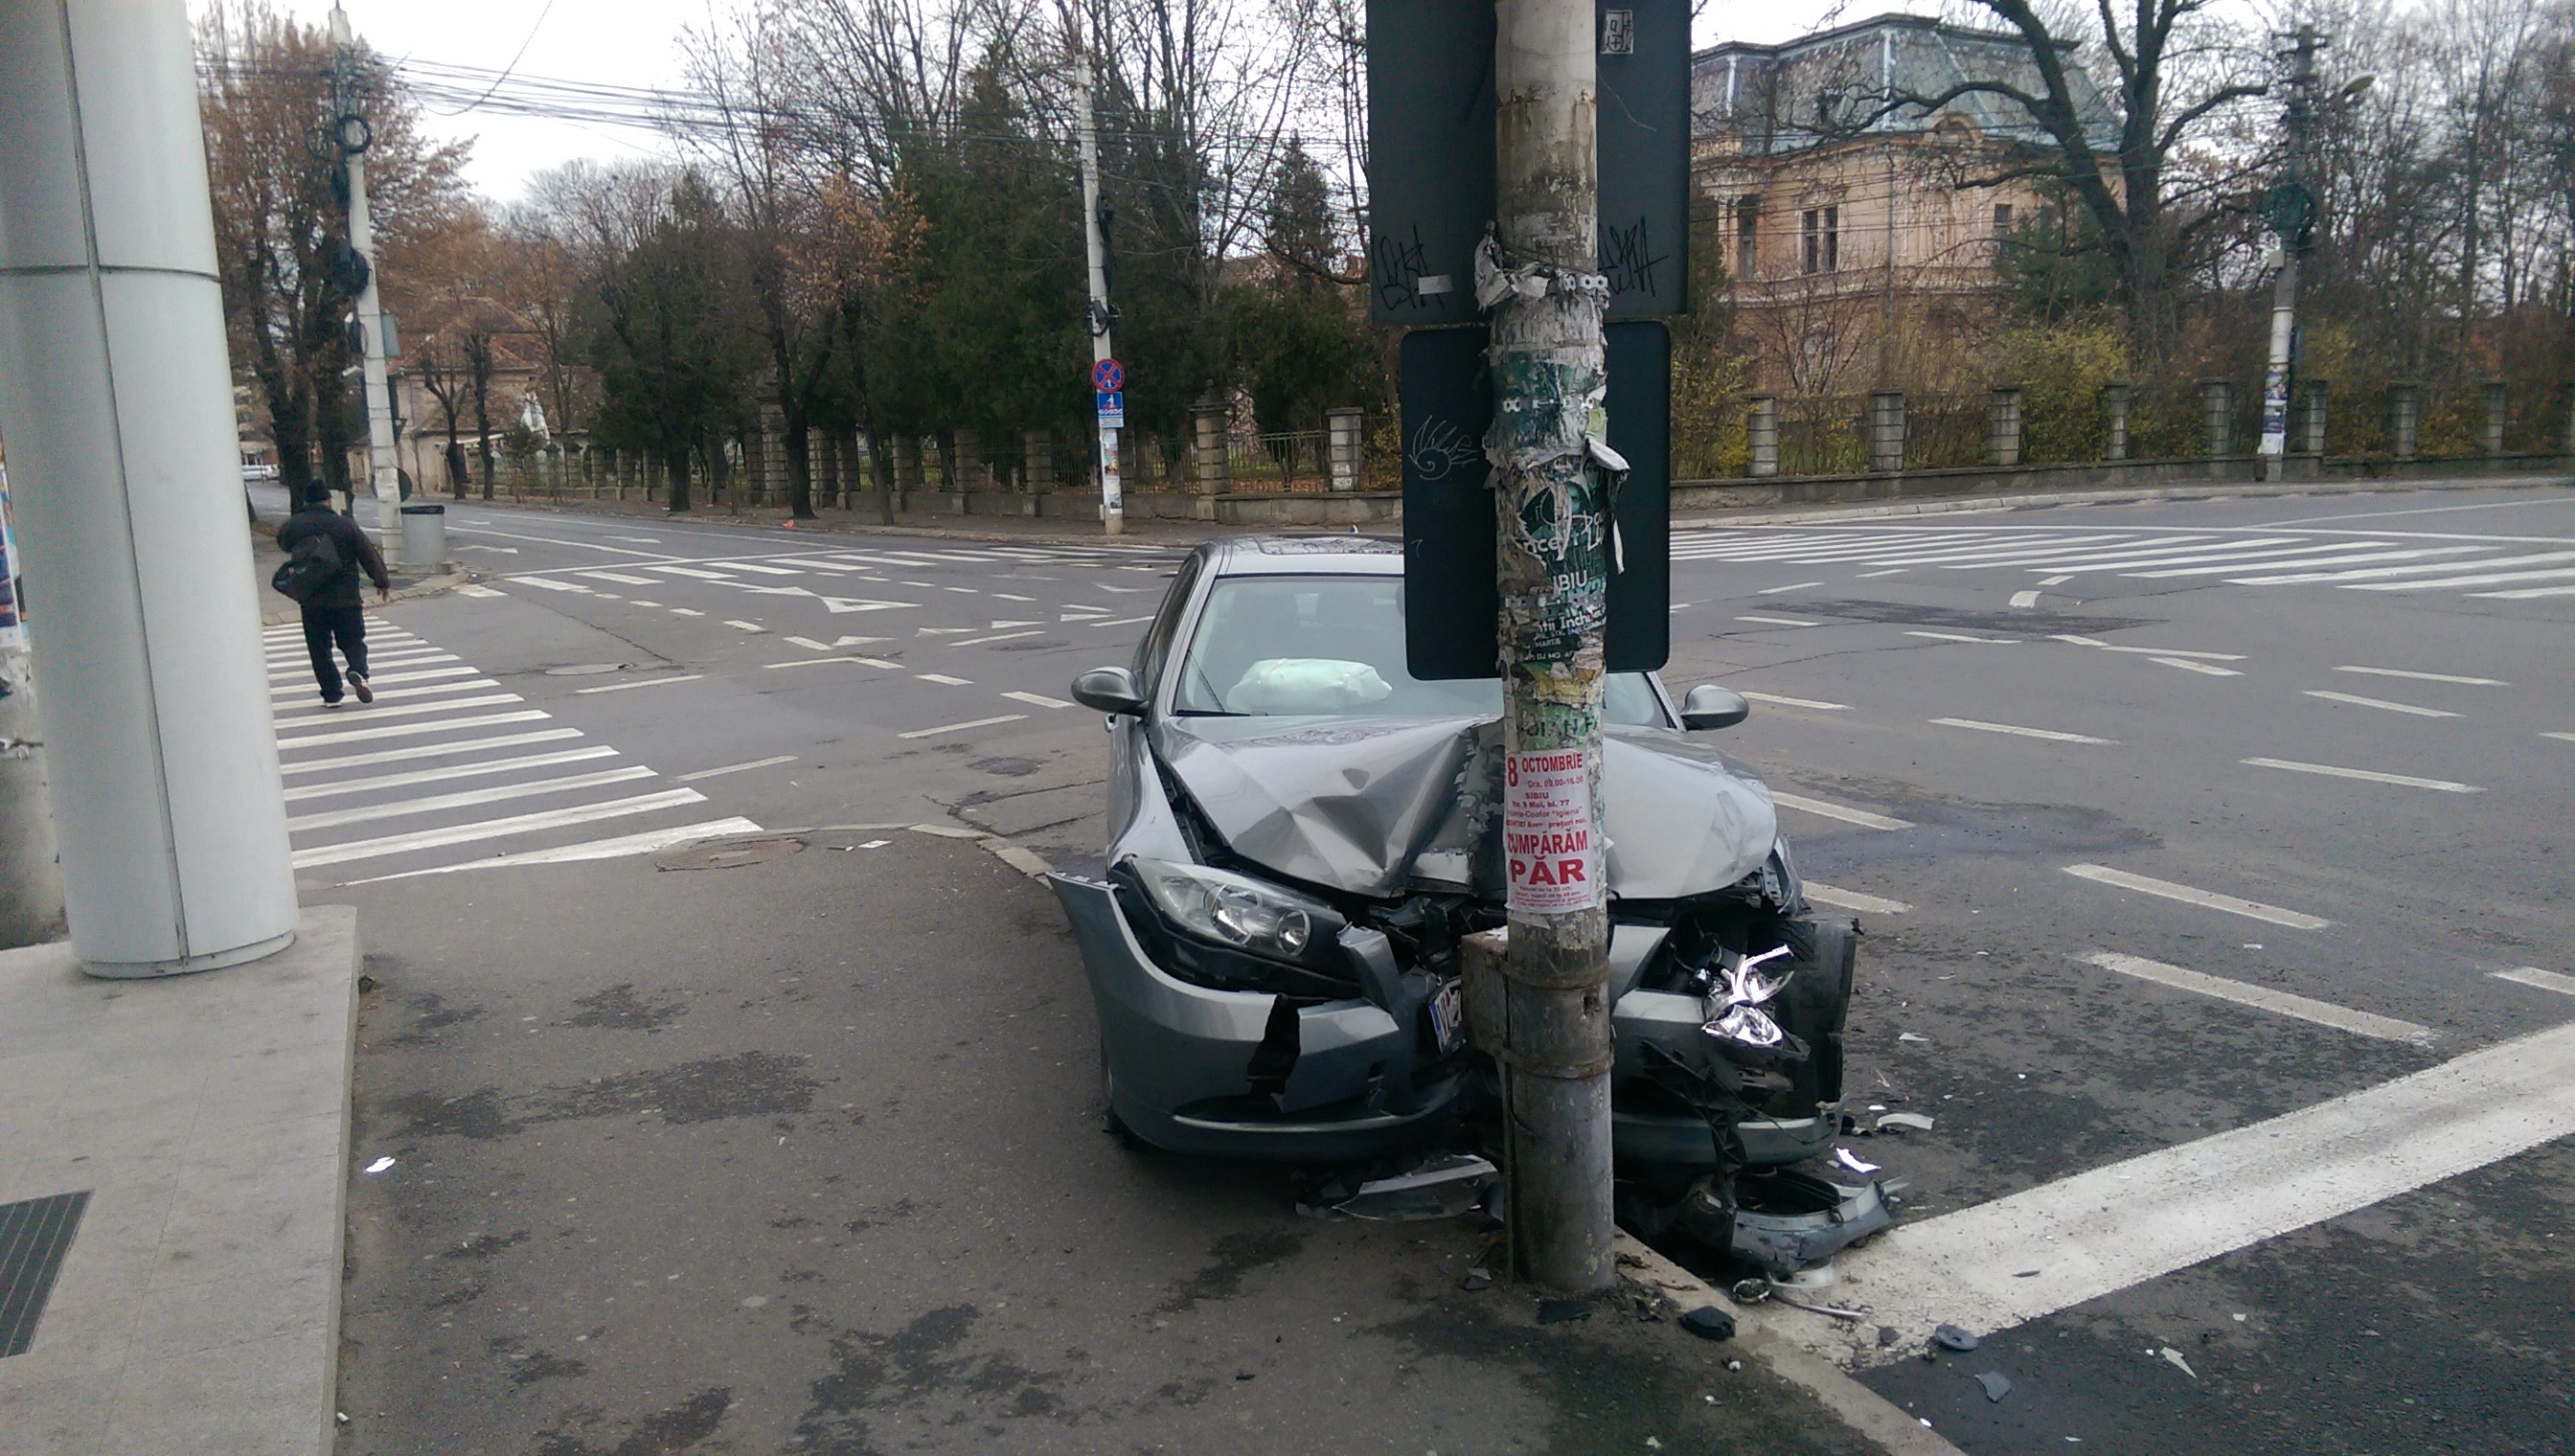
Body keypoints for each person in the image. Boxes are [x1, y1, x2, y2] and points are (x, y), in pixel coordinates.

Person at [276, 488, 393, 709]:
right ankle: (357, 670)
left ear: (306, 502)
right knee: (353, 641)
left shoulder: (294, 525)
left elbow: (283, 544)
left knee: (319, 649)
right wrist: (381, 581)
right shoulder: (345, 524)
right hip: (346, 597)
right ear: (329, 501)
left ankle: (331, 694)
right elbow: (367, 554)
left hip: (311, 598)